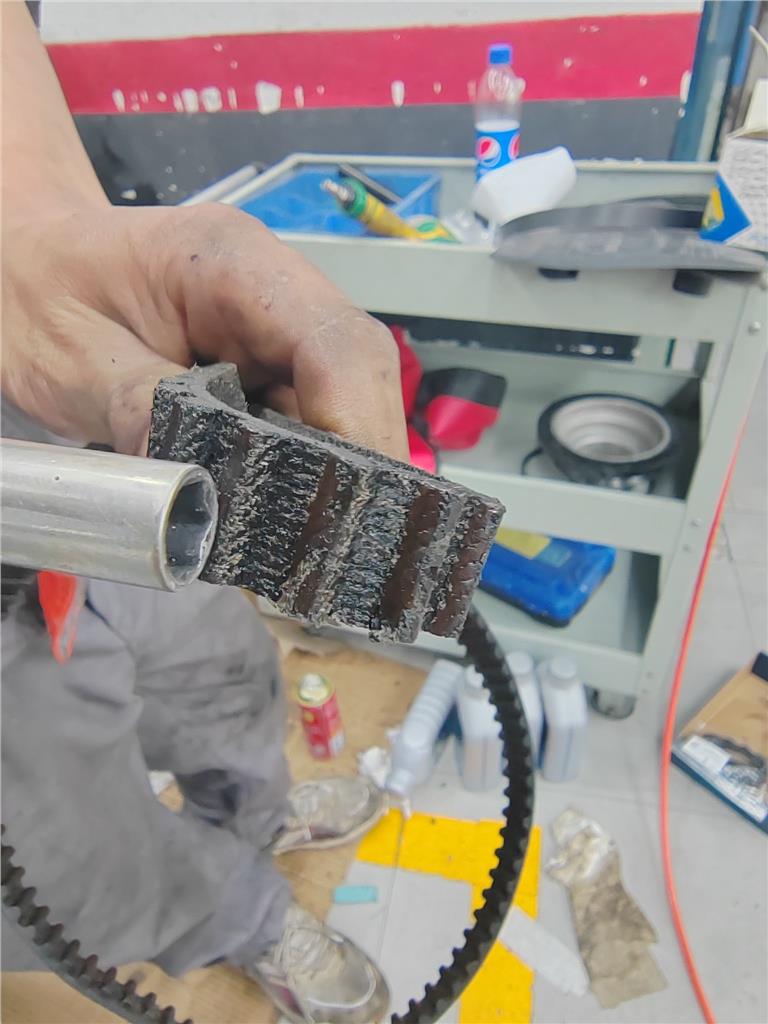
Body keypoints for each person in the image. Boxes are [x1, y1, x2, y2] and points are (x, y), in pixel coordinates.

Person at [1, 5, 408, 1022]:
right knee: (64, 845)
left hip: (59, 448)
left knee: (217, 656)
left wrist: (36, 236)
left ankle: (257, 821)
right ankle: (240, 914)